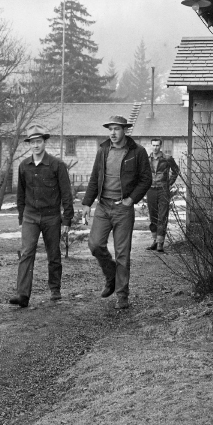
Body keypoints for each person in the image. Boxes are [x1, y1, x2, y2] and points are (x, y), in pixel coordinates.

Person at [82, 115, 151, 310]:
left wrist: (131, 200)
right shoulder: (103, 150)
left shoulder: (137, 152)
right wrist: (87, 203)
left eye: (117, 129)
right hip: (103, 206)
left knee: (123, 253)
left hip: (123, 209)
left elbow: (146, 180)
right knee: (95, 244)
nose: (112, 133)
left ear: (125, 131)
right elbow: (95, 177)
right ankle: (111, 274)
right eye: (110, 129)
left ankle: (122, 295)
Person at [10, 124, 74, 308]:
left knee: (53, 253)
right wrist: (21, 216)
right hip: (30, 216)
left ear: (44, 142)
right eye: (32, 142)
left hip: (51, 216)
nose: (36, 145)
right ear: (29, 144)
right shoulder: (23, 166)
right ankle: (22, 295)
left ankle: (55, 289)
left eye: (39, 141)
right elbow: (20, 194)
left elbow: (66, 194)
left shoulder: (57, 165)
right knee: (26, 252)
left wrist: (66, 219)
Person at [146, 138, 180, 253]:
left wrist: (168, 183)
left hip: (163, 190)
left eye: (157, 145)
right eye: (153, 145)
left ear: (160, 146)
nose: (155, 147)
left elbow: (176, 171)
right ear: (151, 146)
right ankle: (155, 241)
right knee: (153, 216)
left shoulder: (167, 159)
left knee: (162, 216)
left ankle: (160, 243)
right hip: (151, 190)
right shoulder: (147, 159)